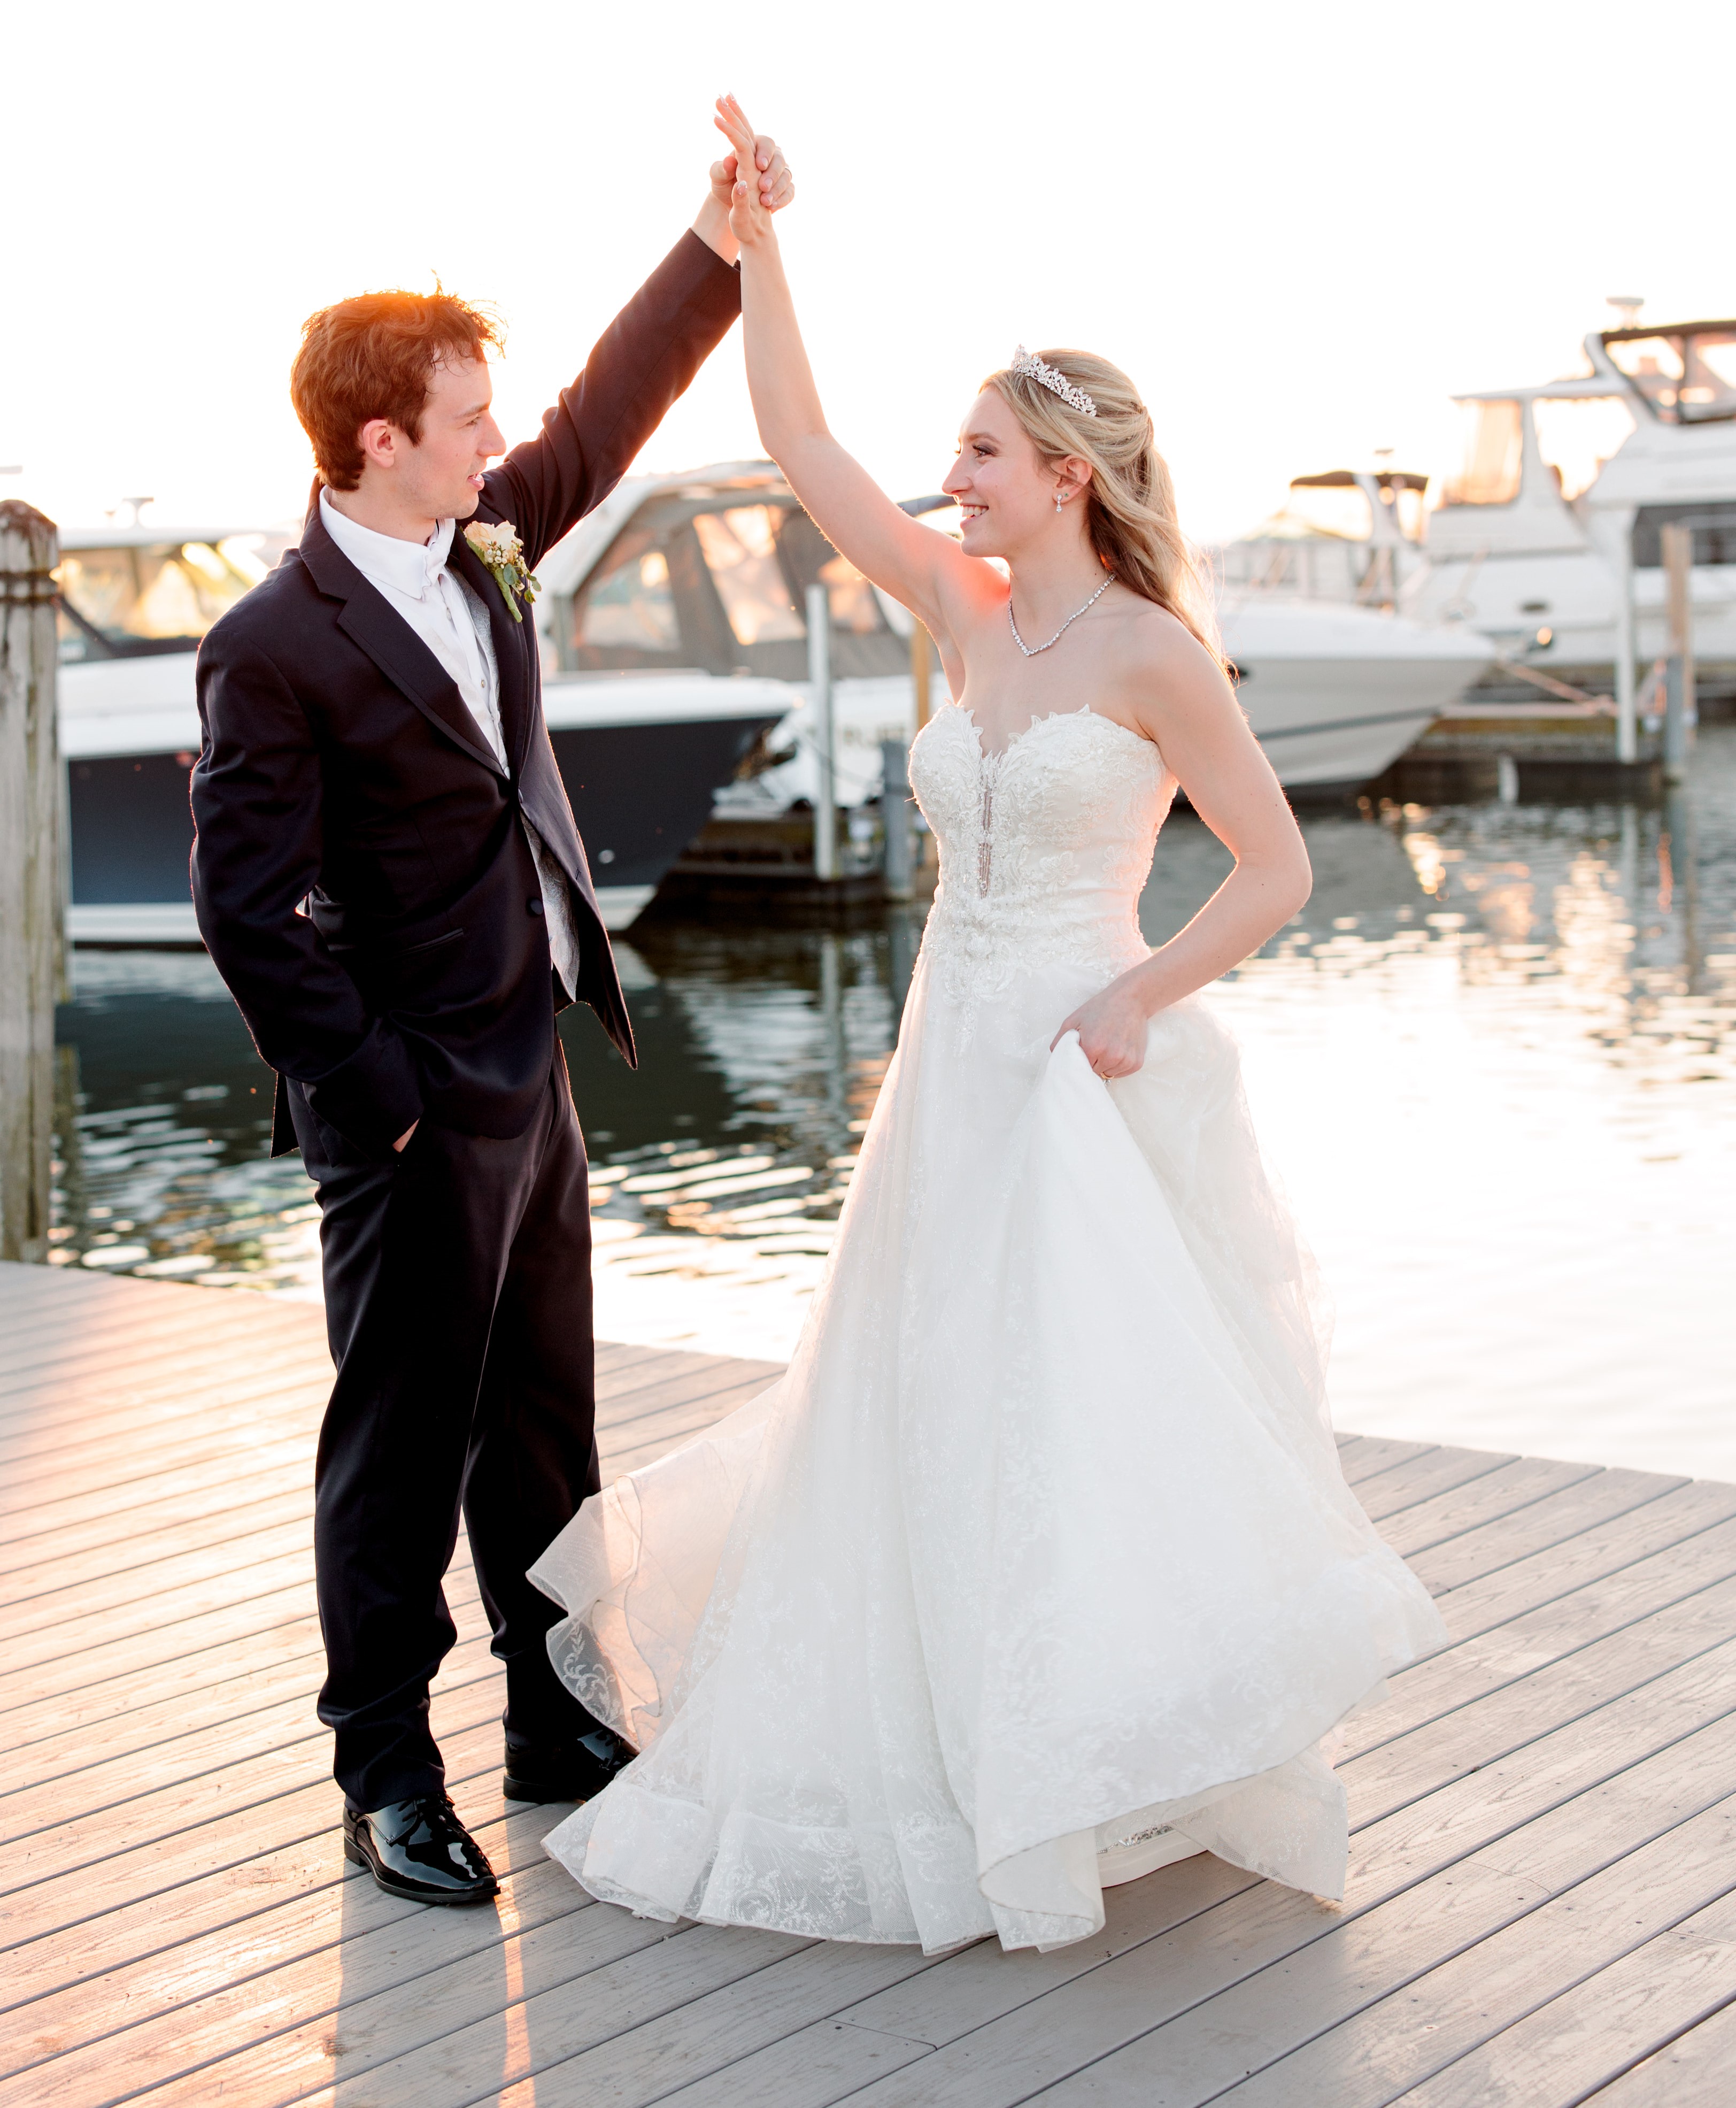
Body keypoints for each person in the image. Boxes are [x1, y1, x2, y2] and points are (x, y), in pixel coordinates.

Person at [528, 96, 1447, 1956]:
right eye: (956, 445)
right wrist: (752, 240)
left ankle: (1077, 1755)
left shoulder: (1154, 657)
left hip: (1078, 1060)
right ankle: (939, 1745)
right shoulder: (965, 609)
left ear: (1070, 477)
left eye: (984, 449)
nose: (954, 474)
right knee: (920, 1394)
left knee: (1067, 1415)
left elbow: (1271, 873)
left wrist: (1136, 991)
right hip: (950, 1062)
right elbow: (799, 442)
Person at [189, 122, 794, 1907]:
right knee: (394, 1448)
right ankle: (386, 1773)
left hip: (533, 1067)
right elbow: (248, 910)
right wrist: (375, 1094)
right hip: (404, 1108)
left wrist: (716, 239)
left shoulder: (485, 551)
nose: (491, 440)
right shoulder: (274, 642)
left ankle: (552, 1714)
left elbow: (605, 415)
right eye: (463, 417)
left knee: (543, 1423)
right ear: (381, 439)